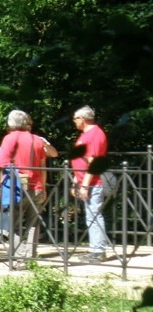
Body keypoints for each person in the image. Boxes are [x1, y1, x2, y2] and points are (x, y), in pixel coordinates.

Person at [0, 110, 51, 259]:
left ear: (11, 123)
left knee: (14, 225)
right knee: (33, 224)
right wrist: (43, 188)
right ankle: (31, 257)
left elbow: (0, 162)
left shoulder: (9, 138)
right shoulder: (37, 140)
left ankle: (20, 258)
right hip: (37, 186)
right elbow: (43, 166)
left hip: (17, 188)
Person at [71, 105, 109, 263]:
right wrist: (76, 182)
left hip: (93, 183)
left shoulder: (94, 134)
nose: (74, 122)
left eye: (75, 118)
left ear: (83, 119)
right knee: (90, 216)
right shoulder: (86, 134)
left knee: (94, 216)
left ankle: (98, 251)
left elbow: (93, 161)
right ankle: (95, 249)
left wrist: (85, 185)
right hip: (85, 182)